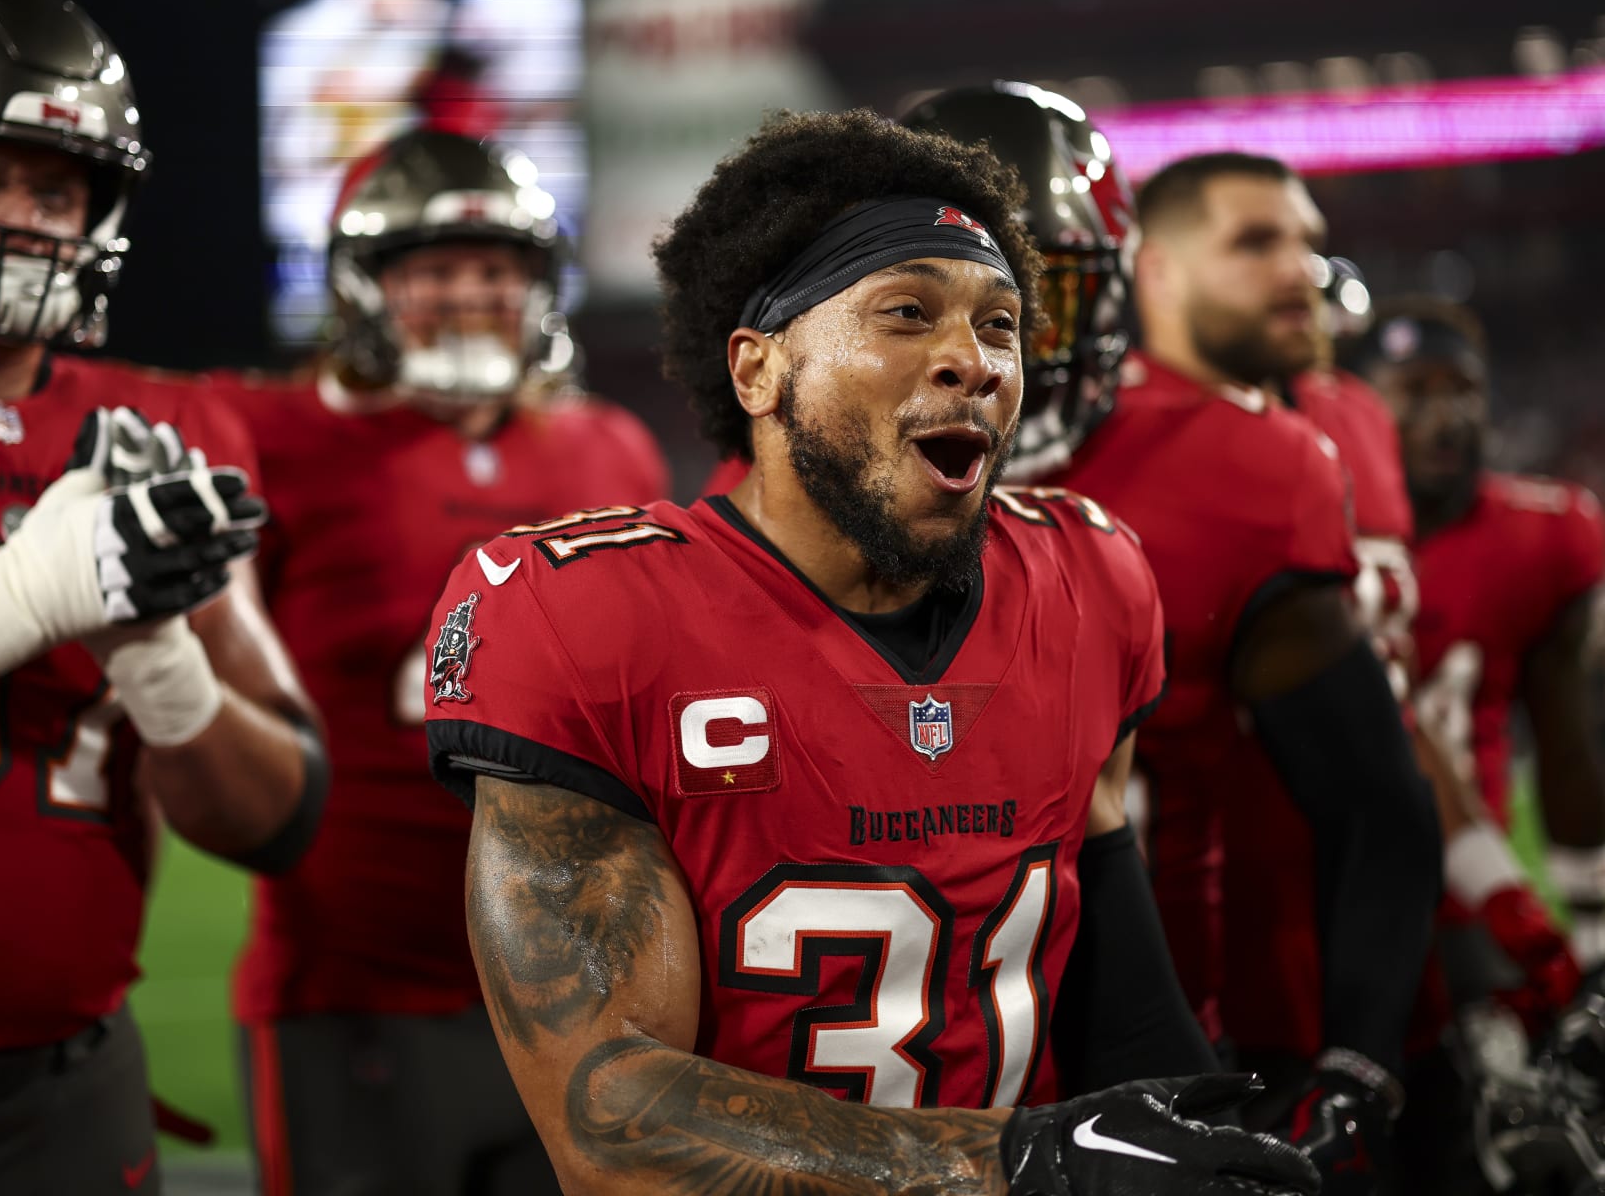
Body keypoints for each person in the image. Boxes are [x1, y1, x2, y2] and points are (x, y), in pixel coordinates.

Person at [423, 107, 1319, 1196]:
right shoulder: (588, 614)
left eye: (1000, 325)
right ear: (758, 371)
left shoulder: (1091, 579)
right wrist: (1017, 1160)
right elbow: (607, 1117)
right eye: (907, 313)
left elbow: (1116, 996)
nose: (973, 361)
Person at [0, 0, 327, 1193]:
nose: (24, 222)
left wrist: (158, 655)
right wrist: (24, 596)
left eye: (57, 191)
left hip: (72, 1097)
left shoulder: (166, 429)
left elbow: (280, 812)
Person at [912, 104, 1440, 1188]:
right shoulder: (771, 500)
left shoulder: (1241, 466)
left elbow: (1378, 803)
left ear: (1107, 290)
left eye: (1034, 300)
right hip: (871, 1092)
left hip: (1151, 1079)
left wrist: (1355, 1063)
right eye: (918, 307)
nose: (978, 358)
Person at [229, 127, 668, 1196]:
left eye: (496, 269)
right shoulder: (270, 435)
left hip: (574, 987)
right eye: (433, 270)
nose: (470, 296)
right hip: (354, 982)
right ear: (365, 287)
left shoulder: (608, 448)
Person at [1350, 298, 1605, 975]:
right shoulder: (1319, 531)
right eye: (1415, 392)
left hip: (1476, 896)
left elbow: (1565, 743)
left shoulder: (1544, 536)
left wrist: (1593, 929)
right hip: (1337, 894)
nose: (1447, 415)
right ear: (1360, 407)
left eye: (1463, 389)